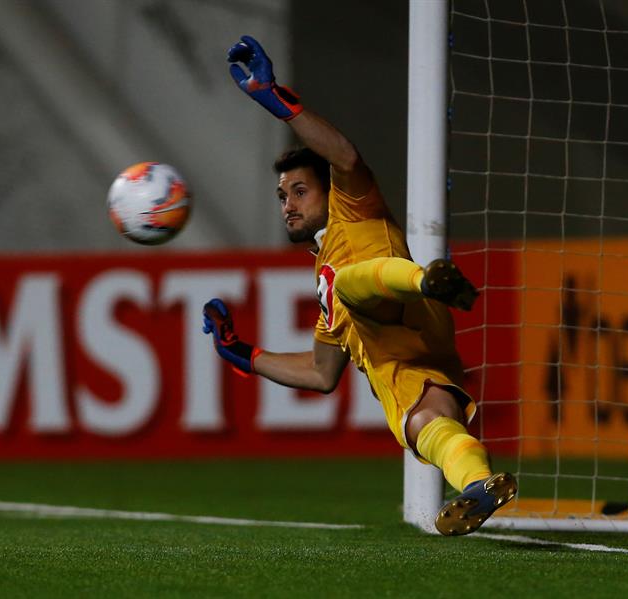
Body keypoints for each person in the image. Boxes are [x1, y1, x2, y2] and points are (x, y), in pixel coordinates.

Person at [202, 35, 517, 536]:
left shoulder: (354, 210)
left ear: (330, 194)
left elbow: (345, 158)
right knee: (426, 428)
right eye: (282, 195)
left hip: (409, 302)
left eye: (300, 191)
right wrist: (243, 354)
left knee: (350, 285)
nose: (287, 203)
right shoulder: (322, 280)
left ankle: (427, 280)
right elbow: (322, 373)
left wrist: (279, 101)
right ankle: (479, 484)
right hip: (406, 364)